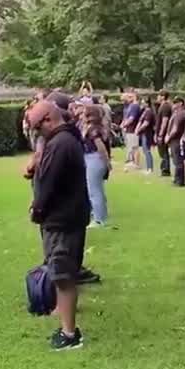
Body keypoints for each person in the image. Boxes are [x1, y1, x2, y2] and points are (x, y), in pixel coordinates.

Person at [27, 94, 91, 350]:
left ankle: (69, 334)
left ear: (48, 119)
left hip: (62, 219)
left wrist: (38, 209)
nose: (36, 133)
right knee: (62, 272)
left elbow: (49, 183)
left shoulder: (61, 143)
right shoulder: (64, 139)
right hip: (69, 215)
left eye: (36, 127)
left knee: (62, 274)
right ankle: (65, 322)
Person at [83, 105, 112, 227]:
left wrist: (107, 161)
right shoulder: (100, 127)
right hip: (96, 159)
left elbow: (100, 146)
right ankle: (102, 215)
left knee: (94, 190)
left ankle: (98, 219)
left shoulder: (93, 129)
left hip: (94, 158)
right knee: (98, 189)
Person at [167, 97, 185, 187]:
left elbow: (175, 129)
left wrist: (168, 137)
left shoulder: (180, 114)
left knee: (178, 161)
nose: (173, 105)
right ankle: (177, 179)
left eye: (175, 103)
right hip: (175, 140)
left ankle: (179, 181)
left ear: (180, 103)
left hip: (177, 140)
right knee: (176, 160)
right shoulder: (177, 114)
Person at [136, 96, 156, 175]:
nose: (142, 104)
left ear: (147, 104)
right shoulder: (145, 111)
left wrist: (139, 129)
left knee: (147, 150)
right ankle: (148, 168)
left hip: (147, 133)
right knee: (145, 150)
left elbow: (146, 123)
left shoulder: (148, 112)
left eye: (143, 103)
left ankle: (150, 168)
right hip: (144, 133)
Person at [155, 90, 174, 177]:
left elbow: (165, 121)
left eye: (158, 96)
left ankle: (165, 170)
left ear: (163, 96)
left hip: (163, 132)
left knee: (163, 151)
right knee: (162, 151)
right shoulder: (162, 106)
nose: (157, 97)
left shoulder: (165, 107)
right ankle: (164, 168)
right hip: (160, 132)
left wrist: (161, 134)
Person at [121, 93, 141, 170]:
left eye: (130, 97)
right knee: (132, 146)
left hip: (133, 129)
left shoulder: (135, 106)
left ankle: (136, 164)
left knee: (135, 147)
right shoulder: (131, 106)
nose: (128, 98)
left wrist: (124, 125)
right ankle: (132, 161)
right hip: (129, 129)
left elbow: (131, 118)